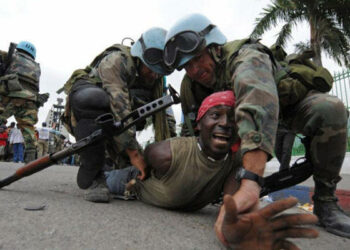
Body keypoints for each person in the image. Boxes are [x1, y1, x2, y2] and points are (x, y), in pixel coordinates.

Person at [162, 13, 350, 238]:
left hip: (283, 109)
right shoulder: (191, 86)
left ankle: (325, 201)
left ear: (215, 48)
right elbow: (191, 134)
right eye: (186, 66)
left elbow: (255, 98)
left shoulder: (246, 56)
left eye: (197, 59)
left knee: (330, 109)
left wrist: (251, 183)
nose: (194, 70)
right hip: (241, 127)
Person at [105, 91, 319, 249]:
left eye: (233, 118)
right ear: (199, 124)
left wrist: (237, 229)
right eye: (215, 115)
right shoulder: (167, 154)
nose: (226, 123)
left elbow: (231, 205)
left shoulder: (236, 163)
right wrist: (134, 175)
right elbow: (142, 159)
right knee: (102, 183)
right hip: (131, 183)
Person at [60, 27, 175, 203]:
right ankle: (94, 175)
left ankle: (107, 168)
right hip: (91, 112)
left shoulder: (156, 80)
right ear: (139, 57)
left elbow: (165, 117)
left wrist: (173, 151)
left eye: (158, 71)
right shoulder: (117, 61)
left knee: (134, 174)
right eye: (150, 69)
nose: (154, 74)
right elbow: (119, 106)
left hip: (120, 130)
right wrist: (134, 154)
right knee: (94, 99)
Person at [0, 41, 49, 163]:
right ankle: (31, 156)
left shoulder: (9, 56)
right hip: (30, 100)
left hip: (9, 95)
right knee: (27, 127)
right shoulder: (37, 66)